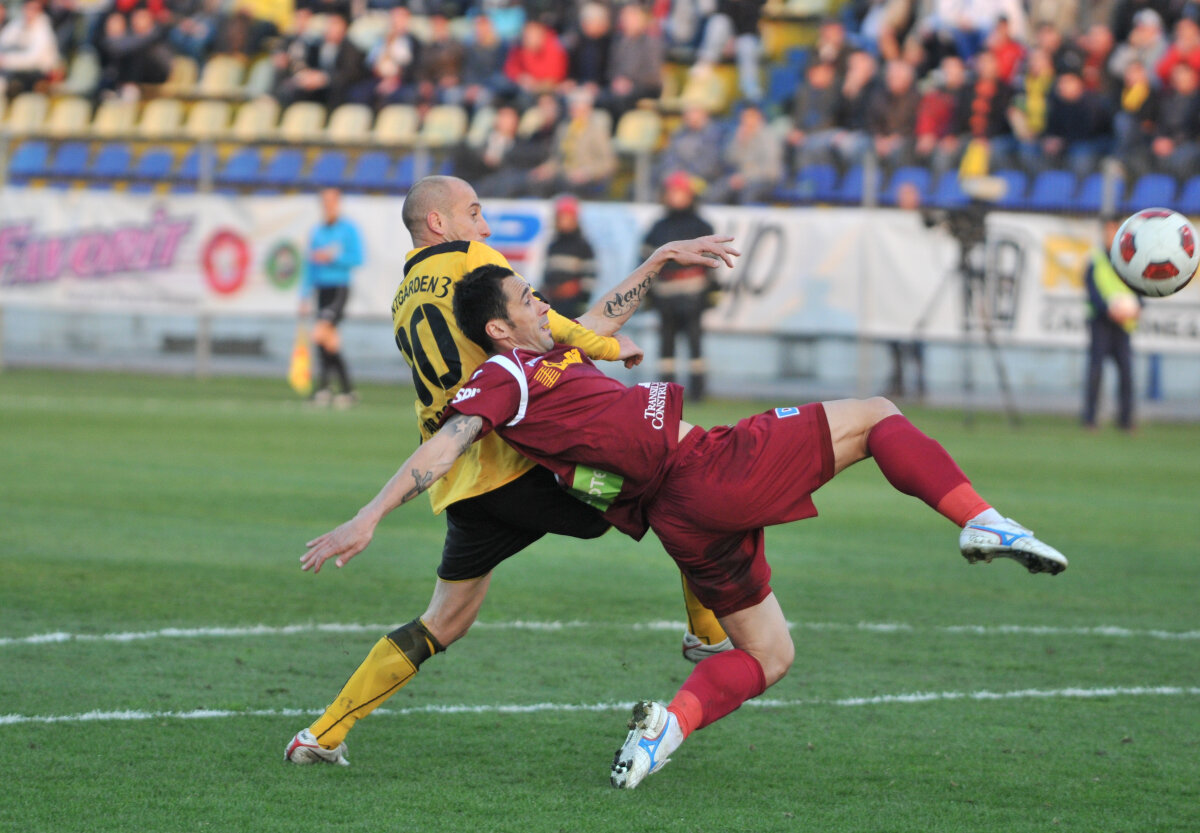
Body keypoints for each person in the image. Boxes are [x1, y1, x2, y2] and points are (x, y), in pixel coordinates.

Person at [296, 263, 1068, 788]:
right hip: (707, 468)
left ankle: (669, 725)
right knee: (878, 416)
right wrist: (369, 514)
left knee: (770, 653)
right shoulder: (504, 376)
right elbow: (449, 439)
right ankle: (984, 522)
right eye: (527, 298)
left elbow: (597, 317)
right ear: (500, 330)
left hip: (684, 520)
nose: (541, 303)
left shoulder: (548, 353)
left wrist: (660, 259)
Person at [284, 175, 739, 766]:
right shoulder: (471, 262)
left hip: (463, 482)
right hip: (523, 461)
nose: (487, 227)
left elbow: (550, 333)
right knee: (672, 484)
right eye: (475, 212)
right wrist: (605, 348)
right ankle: (706, 635)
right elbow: (562, 331)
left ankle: (321, 734)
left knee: (444, 620)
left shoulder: (405, 295)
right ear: (440, 225)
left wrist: (653, 262)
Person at [642, 171, 717, 400]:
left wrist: (712, 291)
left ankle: (697, 391)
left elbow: (712, 263)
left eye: (680, 193)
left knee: (695, 343)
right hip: (665, 295)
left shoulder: (701, 225)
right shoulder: (658, 227)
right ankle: (665, 393)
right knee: (666, 345)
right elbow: (645, 263)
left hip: (694, 294)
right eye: (672, 193)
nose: (675, 198)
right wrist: (646, 293)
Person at [300, 187, 364, 409]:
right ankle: (343, 390)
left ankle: (325, 388)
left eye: (331, 201)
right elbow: (310, 265)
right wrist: (304, 295)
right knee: (329, 341)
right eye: (324, 201)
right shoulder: (317, 231)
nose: (327, 205)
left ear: (338, 203)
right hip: (322, 290)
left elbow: (357, 258)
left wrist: (333, 257)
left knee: (320, 334)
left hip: (339, 289)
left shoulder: (348, 230)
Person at [1082, 214, 1141, 431]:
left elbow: (1141, 288)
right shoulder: (1095, 259)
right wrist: (1108, 309)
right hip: (1101, 322)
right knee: (1095, 370)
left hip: (1123, 324)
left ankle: (1126, 421)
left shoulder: (1132, 260)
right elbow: (1091, 291)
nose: (1110, 235)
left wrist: (1138, 309)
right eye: (1107, 231)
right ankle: (1089, 419)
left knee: (1126, 372)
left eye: (1114, 230)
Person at [541, 195, 597, 320]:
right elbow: (547, 274)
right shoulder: (553, 245)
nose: (563, 221)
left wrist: (573, 291)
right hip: (554, 306)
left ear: (575, 219)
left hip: (574, 309)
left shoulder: (583, 246)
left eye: (567, 217)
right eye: (560, 217)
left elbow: (589, 280)